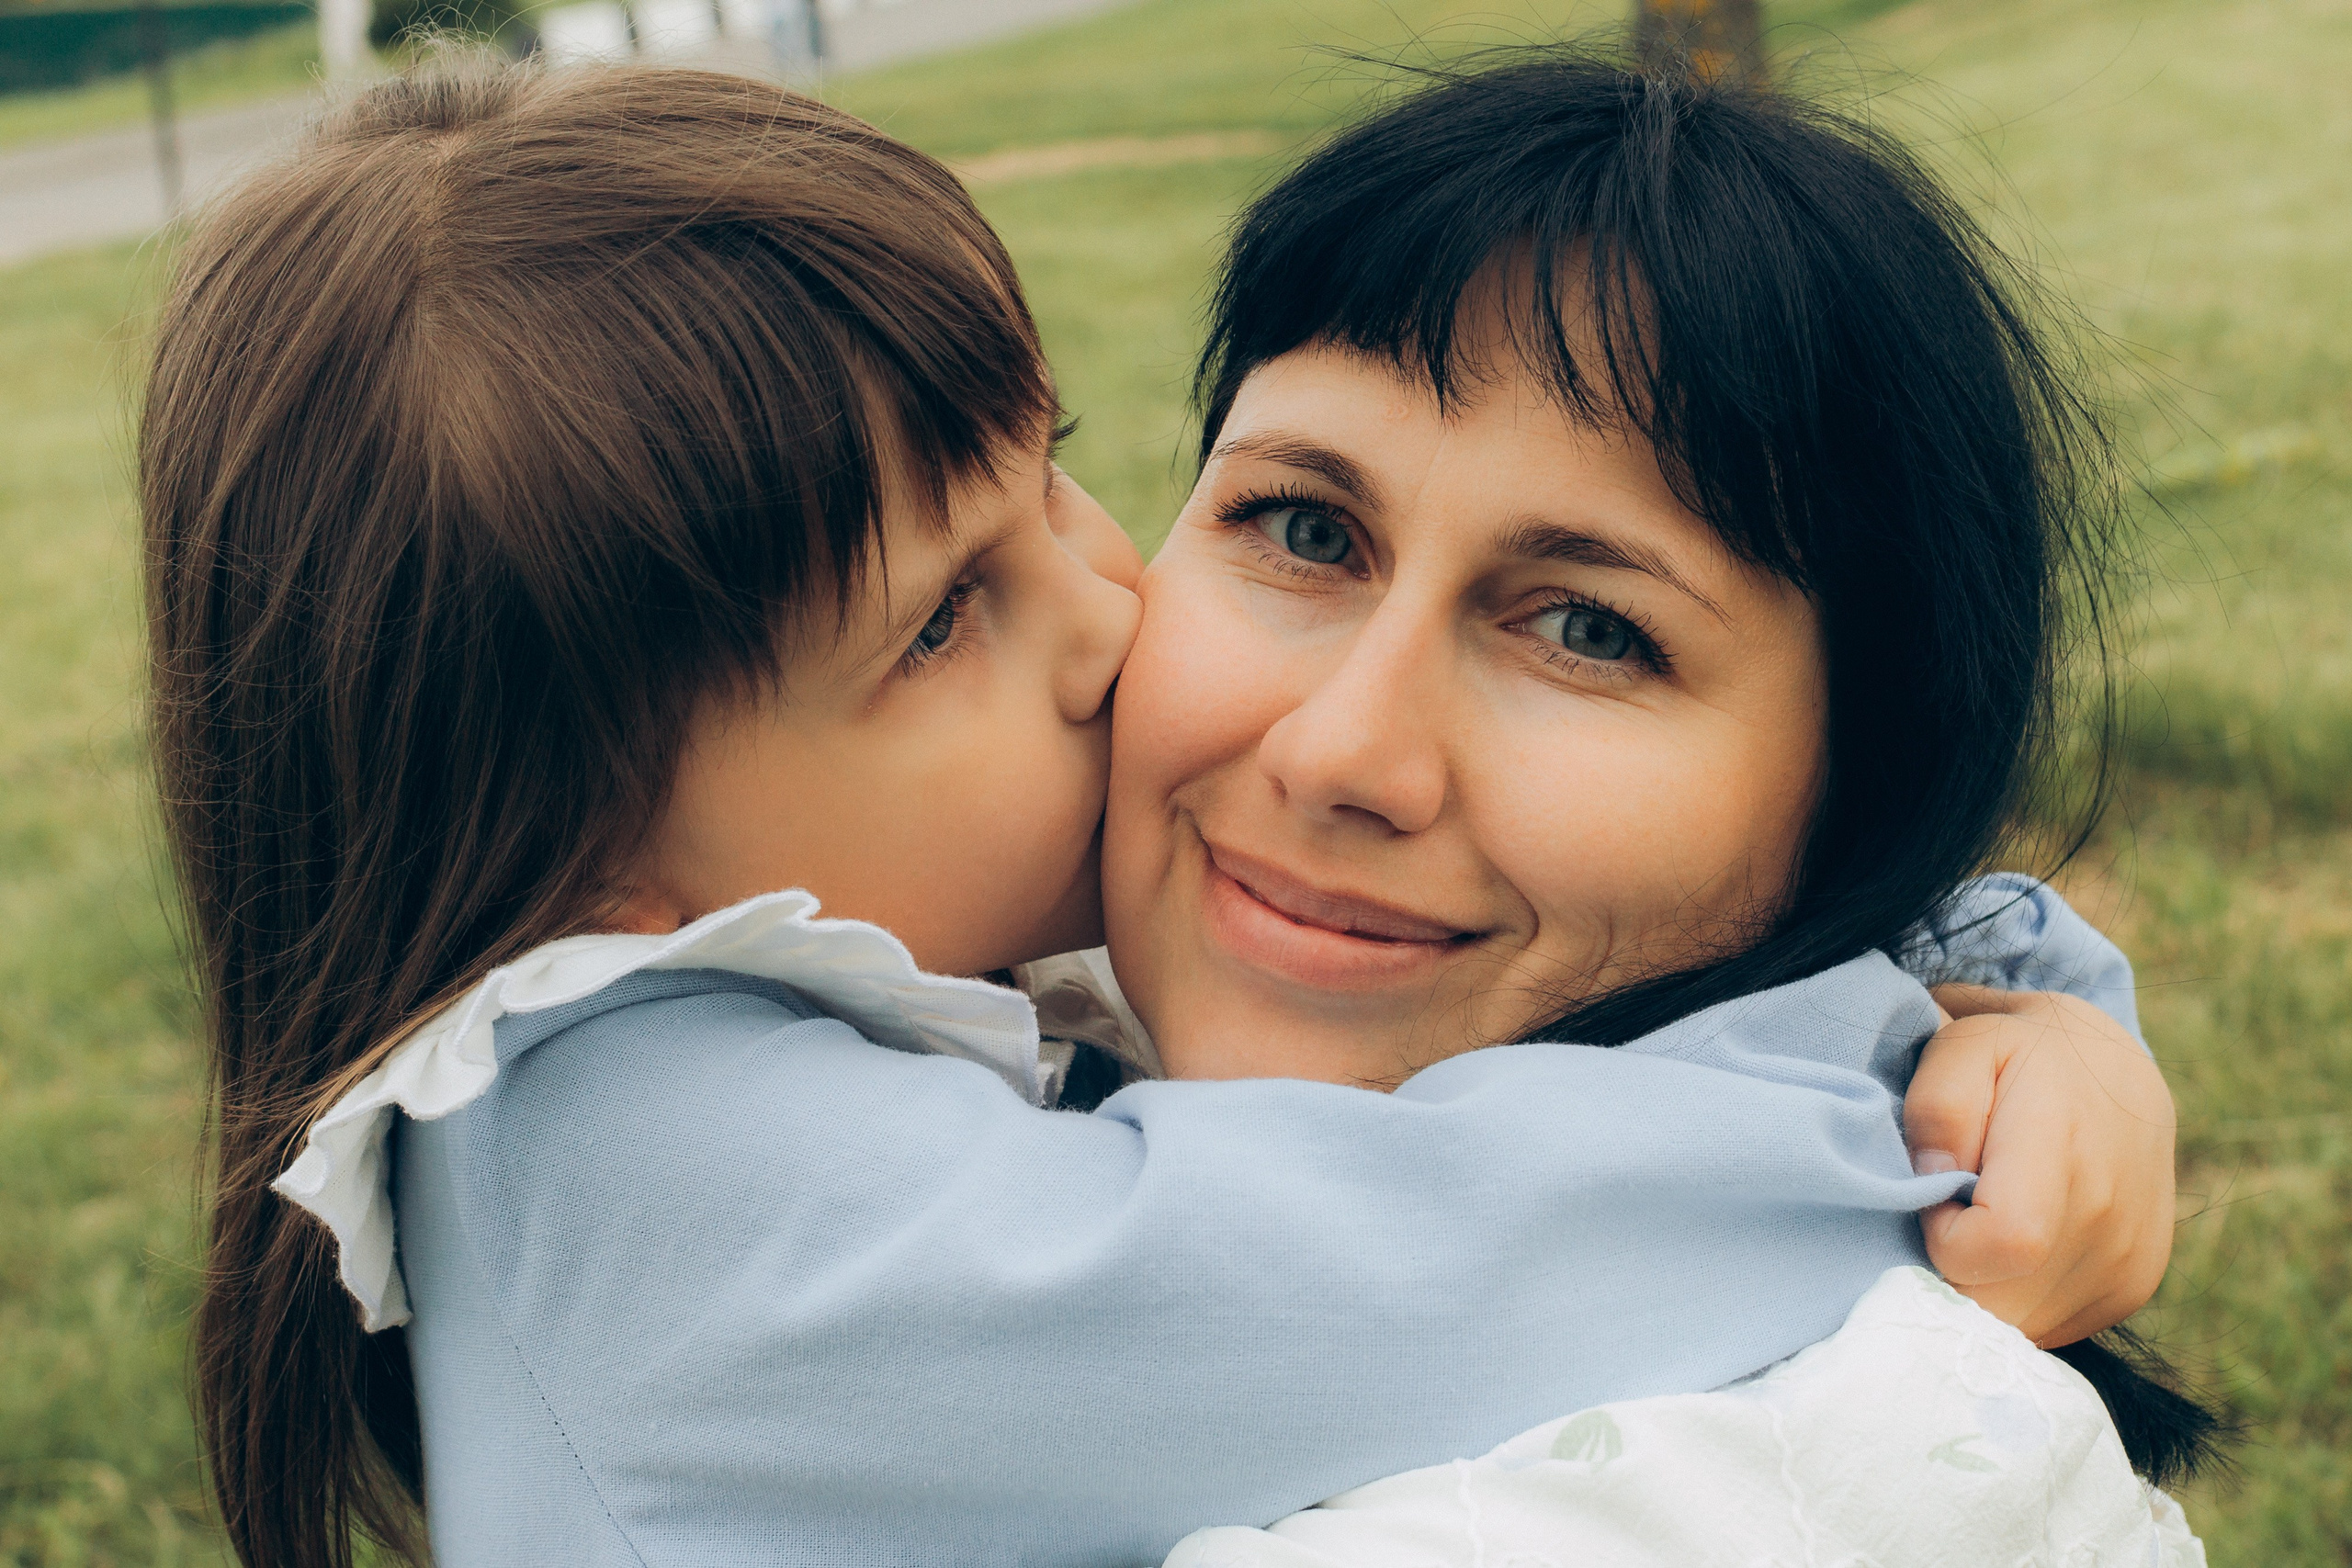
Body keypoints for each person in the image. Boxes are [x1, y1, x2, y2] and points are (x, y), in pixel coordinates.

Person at [142, 62, 2178, 1568]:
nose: (1109, 609)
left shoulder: (801, 969)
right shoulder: (616, 1142)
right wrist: (1892, 1104)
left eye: (1585, 624)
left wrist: (2020, 1000)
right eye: (946, 614)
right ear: (587, 845)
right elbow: (1351, 1271)